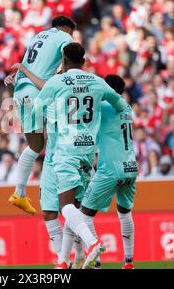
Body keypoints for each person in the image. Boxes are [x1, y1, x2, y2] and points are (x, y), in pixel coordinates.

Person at [18, 43, 129, 269]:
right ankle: (71, 261)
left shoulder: (56, 82)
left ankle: (92, 244)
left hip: (65, 150)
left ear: (63, 59)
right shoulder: (97, 81)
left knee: (65, 206)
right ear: (84, 61)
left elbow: (37, 110)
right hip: (88, 152)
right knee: (78, 208)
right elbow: (121, 105)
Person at [7, 15, 77, 215]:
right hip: (39, 91)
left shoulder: (38, 36)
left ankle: (19, 193)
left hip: (20, 91)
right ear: (67, 29)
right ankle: (60, 183)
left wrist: (16, 77)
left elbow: (28, 64)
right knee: (65, 124)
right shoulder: (65, 36)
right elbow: (70, 57)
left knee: (35, 145)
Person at [79, 74, 137, 270]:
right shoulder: (127, 108)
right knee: (125, 213)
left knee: (84, 215)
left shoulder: (102, 108)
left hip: (110, 170)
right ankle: (128, 262)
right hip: (130, 168)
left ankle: (96, 263)